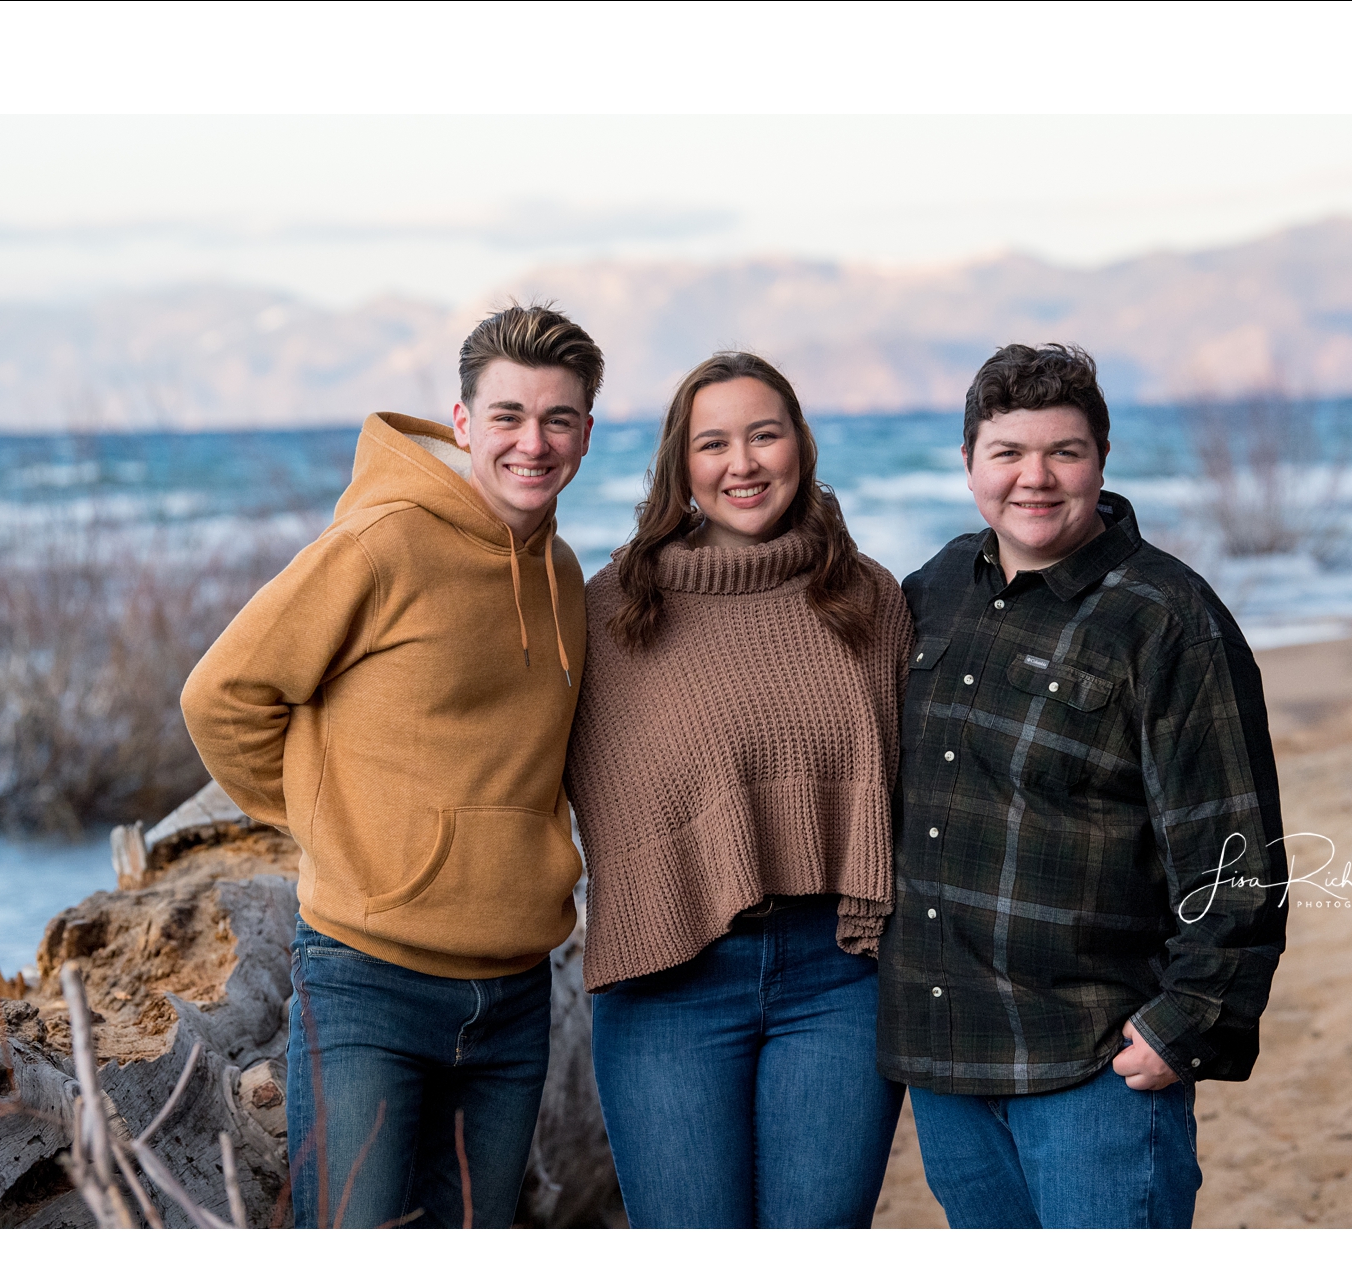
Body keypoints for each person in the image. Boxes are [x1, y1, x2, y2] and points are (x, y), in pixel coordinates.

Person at [181, 304, 604, 1228]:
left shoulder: (566, 575)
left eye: (558, 419)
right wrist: (330, 820)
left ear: (583, 435)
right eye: (508, 416)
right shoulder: (381, 544)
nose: (533, 442)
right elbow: (222, 694)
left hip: (516, 991)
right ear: (462, 423)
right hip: (368, 978)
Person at [877, 342, 1288, 1229]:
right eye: (1008, 453)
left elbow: (1236, 848)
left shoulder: (1166, 619)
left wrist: (1191, 1019)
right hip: (948, 1057)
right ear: (968, 463)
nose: (1035, 478)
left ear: (1100, 459)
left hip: (1092, 1061)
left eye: (1063, 452)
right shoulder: (937, 586)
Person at [564, 351, 912, 1228]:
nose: (743, 463)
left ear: (802, 444)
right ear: (680, 465)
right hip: (667, 978)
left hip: (839, 975)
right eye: (713, 442)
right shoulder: (611, 611)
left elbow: (917, 787)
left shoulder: (868, 598)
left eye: (765, 434)